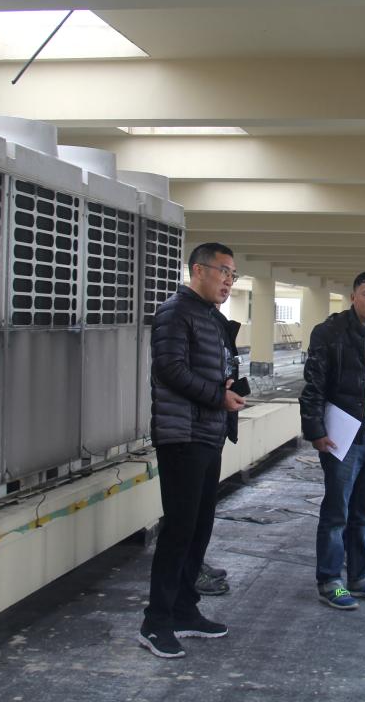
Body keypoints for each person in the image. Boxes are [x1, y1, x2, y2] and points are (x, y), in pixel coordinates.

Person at [139, 242, 247, 659]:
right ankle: (155, 622)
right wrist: (216, 396)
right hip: (182, 435)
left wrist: (227, 390)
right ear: (198, 270)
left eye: (233, 274)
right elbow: (170, 368)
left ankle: (184, 610)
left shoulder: (210, 317)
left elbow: (210, 368)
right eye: (223, 271)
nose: (228, 280)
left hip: (207, 433)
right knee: (179, 530)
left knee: (199, 528)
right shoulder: (175, 312)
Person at [300, 271, 365, 609]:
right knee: (337, 513)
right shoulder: (330, 333)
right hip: (344, 440)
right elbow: (314, 385)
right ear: (353, 297)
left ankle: (360, 577)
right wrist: (316, 431)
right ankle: (330, 580)